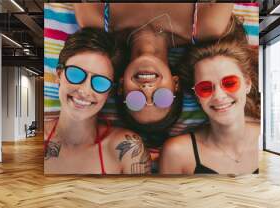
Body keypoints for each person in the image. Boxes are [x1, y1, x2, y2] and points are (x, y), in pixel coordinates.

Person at [75, 3, 235, 127]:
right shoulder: (208, 24)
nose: (147, 89)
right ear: (176, 83)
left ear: (121, 86)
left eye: (135, 100)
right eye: (162, 98)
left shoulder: (94, 18)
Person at [44, 28, 151, 174]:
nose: (84, 91)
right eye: (75, 74)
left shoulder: (129, 149)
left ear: (111, 91)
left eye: (100, 82)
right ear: (59, 74)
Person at [159, 38, 260, 175]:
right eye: (205, 88)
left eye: (230, 83)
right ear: (196, 96)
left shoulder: (271, 140)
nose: (218, 96)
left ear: (247, 84)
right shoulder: (177, 152)